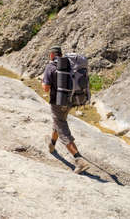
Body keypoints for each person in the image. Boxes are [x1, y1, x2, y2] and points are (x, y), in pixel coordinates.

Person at [42, 45, 89, 174]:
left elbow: (45, 88)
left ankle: (79, 160)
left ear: (51, 55)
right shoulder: (70, 65)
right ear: (61, 54)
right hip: (71, 101)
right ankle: (51, 145)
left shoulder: (50, 66)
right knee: (59, 121)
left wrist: (43, 83)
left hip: (57, 103)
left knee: (62, 128)